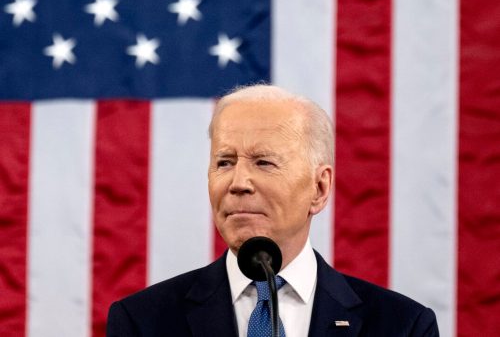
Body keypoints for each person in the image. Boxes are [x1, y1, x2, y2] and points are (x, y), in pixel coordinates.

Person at [107, 84, 439, 336]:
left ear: (319, 188)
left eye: (263, 162)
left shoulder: (403, 326)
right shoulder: (142, 322)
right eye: (224, 162)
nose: (238, 182)